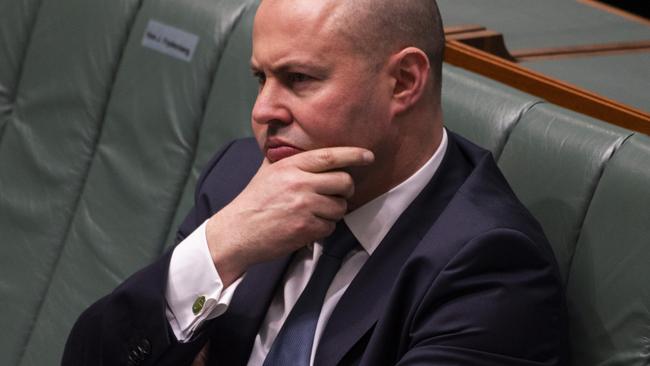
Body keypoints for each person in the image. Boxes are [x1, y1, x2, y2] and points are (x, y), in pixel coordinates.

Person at [63, 0, 568, 365]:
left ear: (404, 82)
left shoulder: (492, 267)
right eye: (262, 78)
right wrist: (218, 248)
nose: (263, 111)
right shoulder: (245, 180)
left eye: (300, 79)